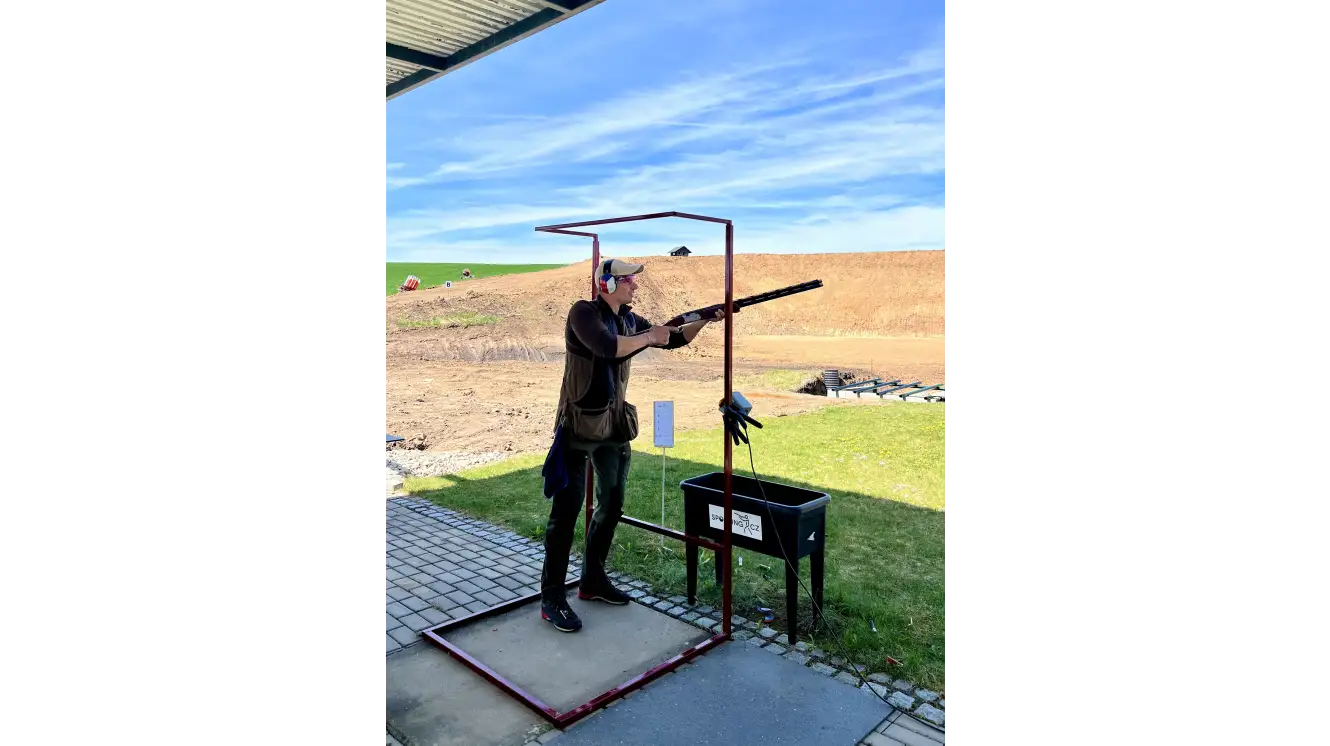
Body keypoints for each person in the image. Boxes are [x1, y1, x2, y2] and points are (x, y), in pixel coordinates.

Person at [539, 257, 723, 632]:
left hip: (613, 426)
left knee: (612, 504)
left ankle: (592, 580)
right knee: (566, 513)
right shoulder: (583, 313)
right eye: (627, 280)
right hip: (578, 427)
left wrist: (704, 318)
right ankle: (552, 596)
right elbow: (607, 346)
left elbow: (674, 339)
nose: (634, 285)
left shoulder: (628, 319)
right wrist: (651, 335)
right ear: (606, 283)